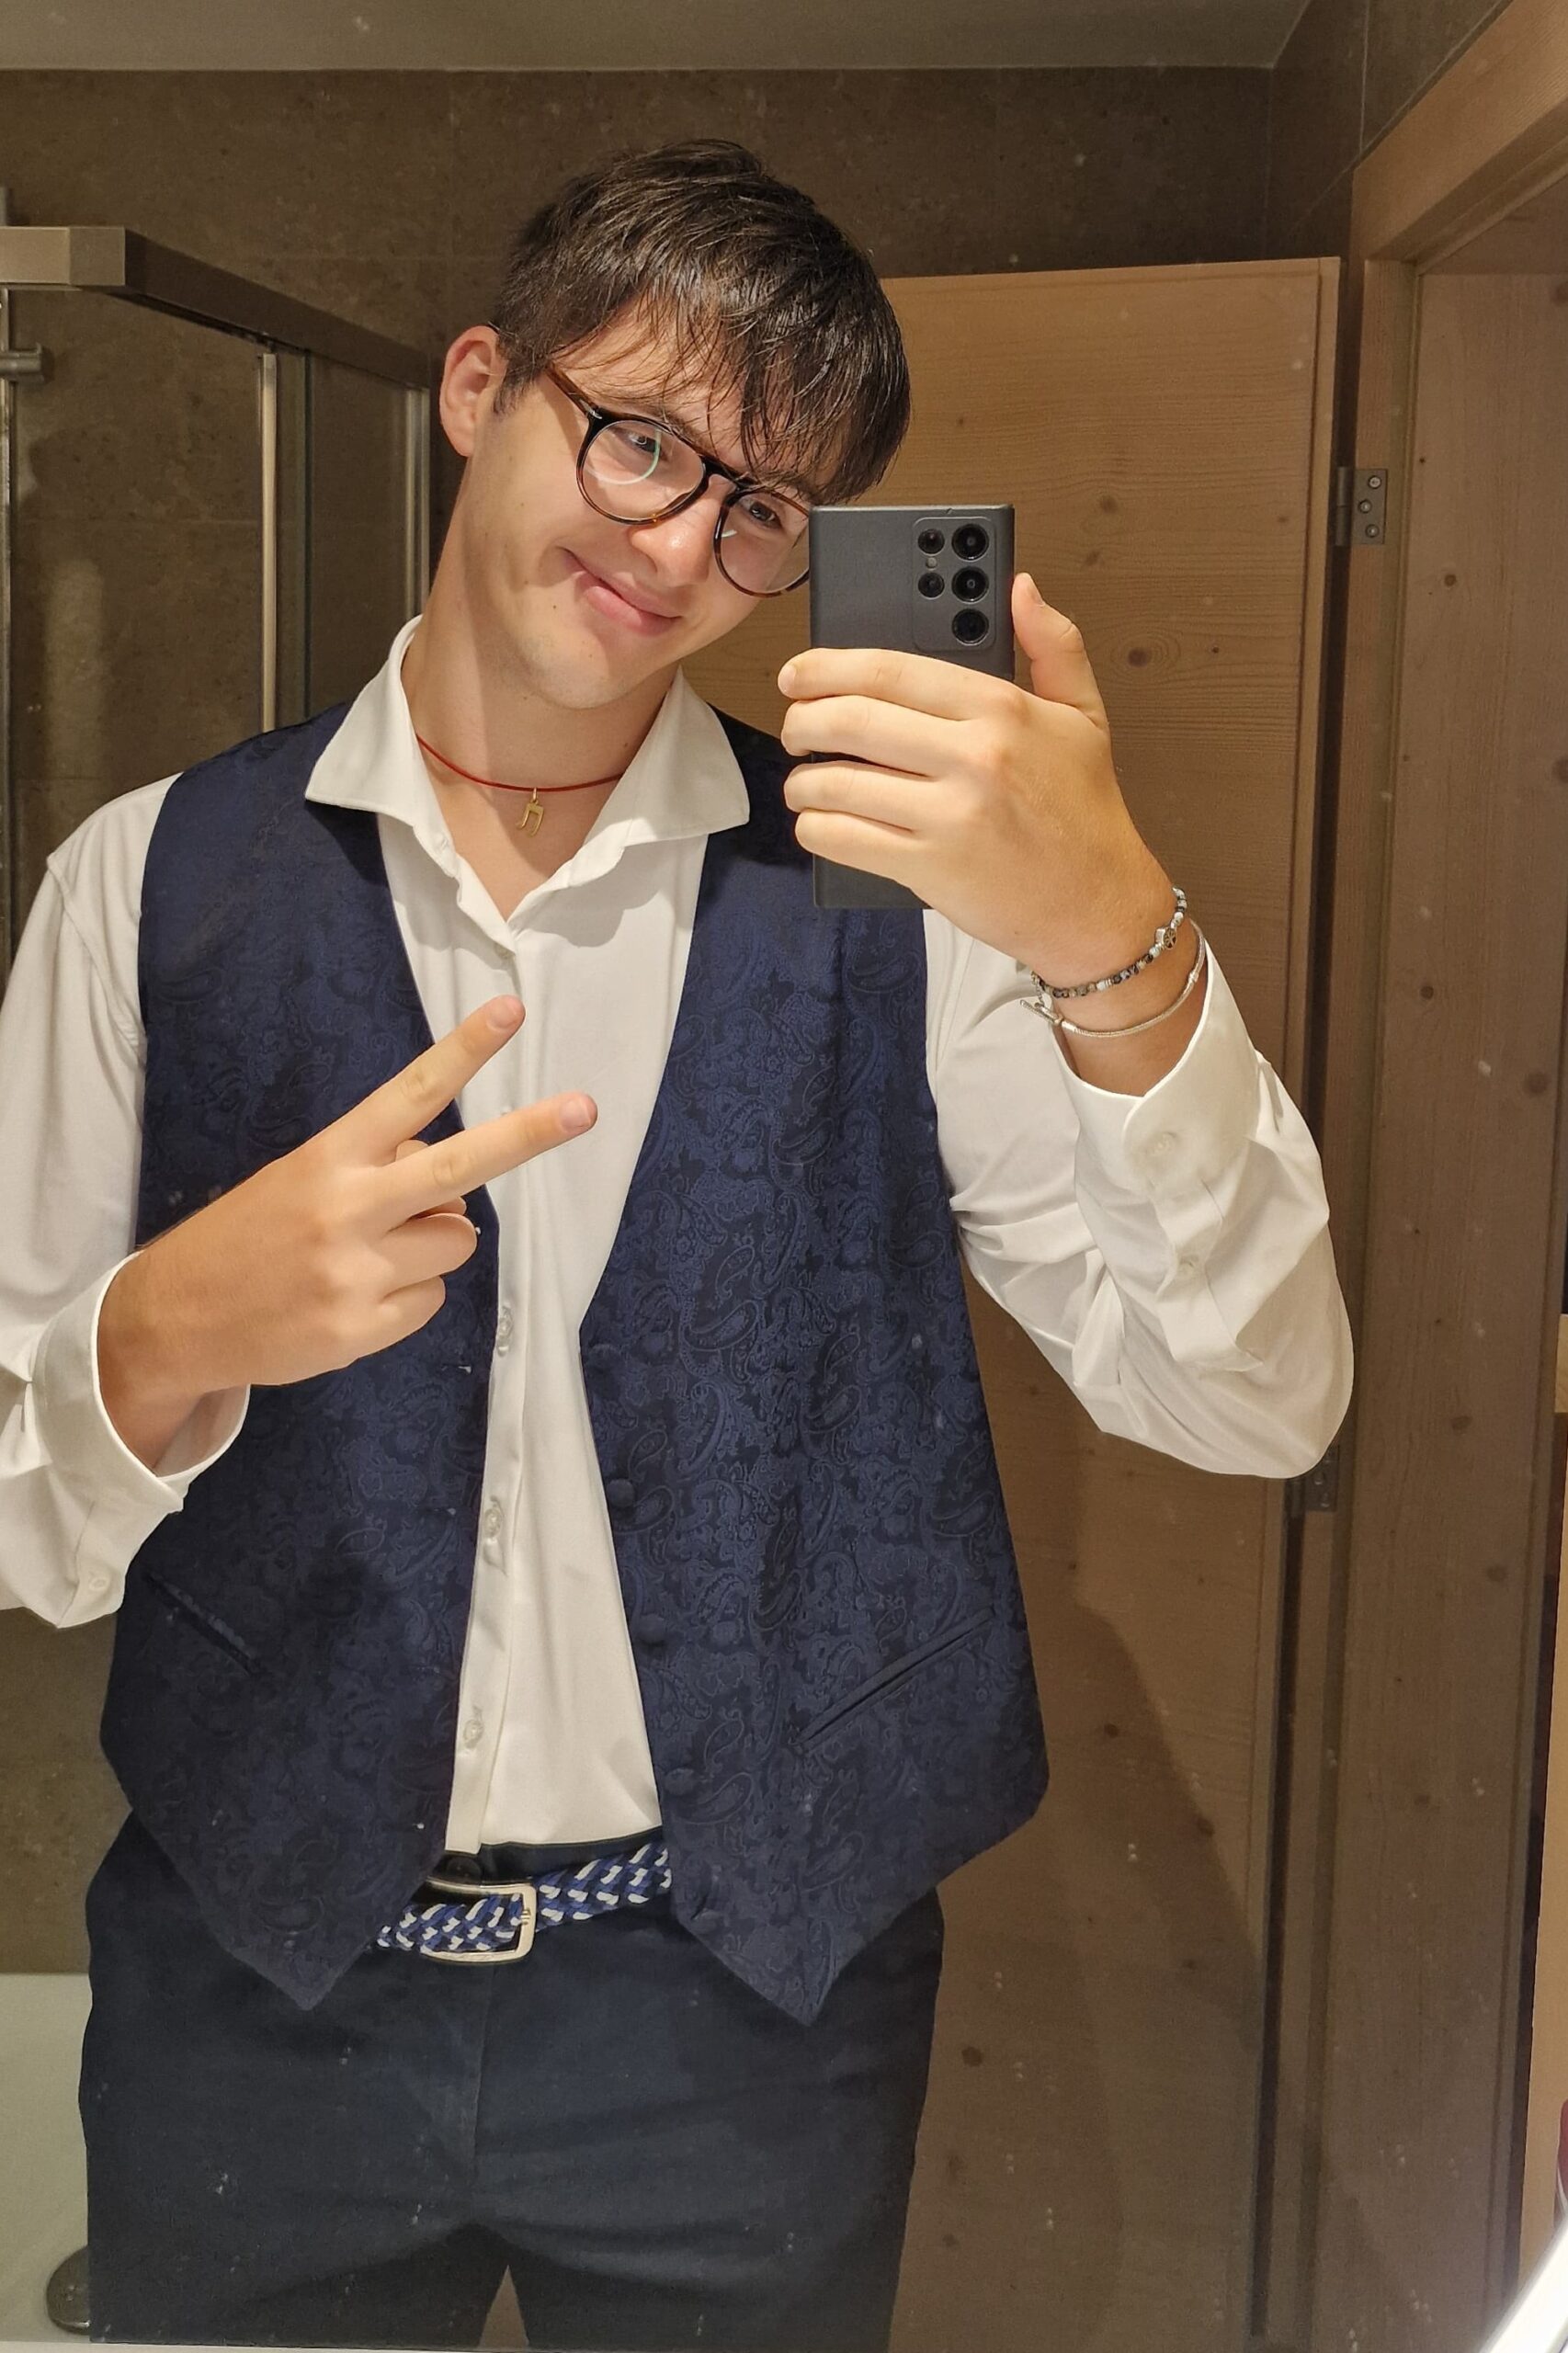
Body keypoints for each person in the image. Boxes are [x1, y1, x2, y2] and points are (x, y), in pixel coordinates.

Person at [0, 137, 1352, 2351]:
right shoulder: (141, 885)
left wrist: (1117, 933)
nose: (677, 543)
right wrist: (163, 1334)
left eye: (760, 506)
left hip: (744, 2018)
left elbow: (1253, 1395)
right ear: (477, 385)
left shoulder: (898, 911)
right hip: (254, 1994)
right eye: (638, 437)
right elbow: (24, 1540)